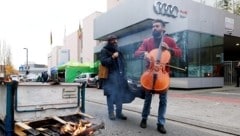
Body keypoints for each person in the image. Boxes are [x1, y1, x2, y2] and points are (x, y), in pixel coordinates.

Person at [134, 19, 182, 134]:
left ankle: (161, 123)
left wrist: (169, 49)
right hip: (149, 74)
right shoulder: (147, 41)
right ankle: (144, 118)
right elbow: (136, 53)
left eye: (157, 26)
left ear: (163, 28)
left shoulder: (169, 40)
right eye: (153, 26)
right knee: (147, 99)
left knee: (163, 100)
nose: (154, 28)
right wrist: (144, 54)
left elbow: (179, 52)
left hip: (162, 74)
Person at [100, 35, 127, 120]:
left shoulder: (119, 50)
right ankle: (111, 113)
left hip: (120, 77)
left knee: (119, 95)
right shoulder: (104, 50)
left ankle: (119, 113)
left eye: (116, 40)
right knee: (110, 96)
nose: (115, 41)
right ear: (109, 41)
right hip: (109, 78)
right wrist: (112, 57)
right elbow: (103, 62)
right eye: (113, 40)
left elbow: (123, 63)